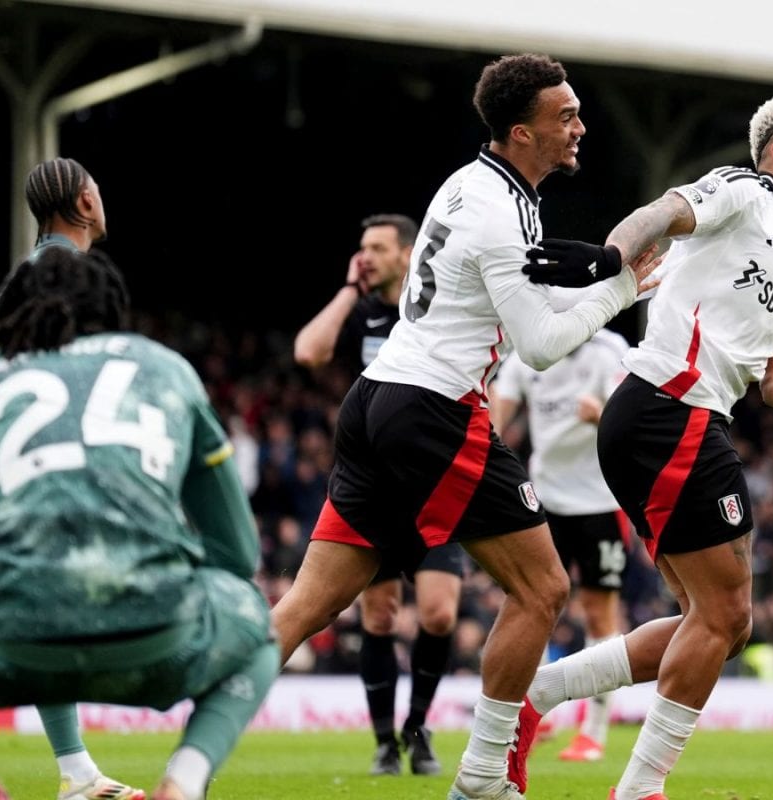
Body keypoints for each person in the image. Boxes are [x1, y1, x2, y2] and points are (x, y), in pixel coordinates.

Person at [268, 52, 658, 800]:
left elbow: (528, 268)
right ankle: (482, 777)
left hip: (376, 399)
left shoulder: (469, 184)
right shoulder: (498, 211)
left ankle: (188, 762)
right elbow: (542, 347)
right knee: (544, 589)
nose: (580, 126)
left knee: (302, 609)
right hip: (434, 411)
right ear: (521, 132)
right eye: (565, 116)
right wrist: (623, 288)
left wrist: (595, 265)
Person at [509, 90, 773, 800]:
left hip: (684, 418)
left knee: (717, 621)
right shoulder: (744, 191)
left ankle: (538, 694)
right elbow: (664, 213)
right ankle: (638, 789)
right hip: (668, 407)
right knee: (726, 617)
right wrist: (610, 257)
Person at [0, 248, 278, 800]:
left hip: (7, 641)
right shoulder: (166, 370)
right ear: (111, 308)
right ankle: (186, 780)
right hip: (158, 640)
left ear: (15, 317)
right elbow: (239, 554)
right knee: (261, 627)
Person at [0, 156, 142, 800]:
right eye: (97, 186)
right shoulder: (71, 277)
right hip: (51, 471)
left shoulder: (28, 275)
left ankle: (76, 772)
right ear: (84, 203)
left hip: (17, 466)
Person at [294, 213, 466, 776]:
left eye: (376, 247)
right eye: (360, 246)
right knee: (380, 613)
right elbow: (309, 353)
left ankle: (418, 727)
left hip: (436, 482)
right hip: (375, 487)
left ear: (408, 253)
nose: (365, 254)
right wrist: (349, 288)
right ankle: (384, 742)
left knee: (439, 614)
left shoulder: (435, 307)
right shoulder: (364, 311)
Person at [490, 328, 631, 762]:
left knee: (598, 612)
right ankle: (534, 708)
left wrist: (605, 414)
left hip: (601, 501)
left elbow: (635, 419)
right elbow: (494, 420)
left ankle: (593, 732)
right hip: (544, 499)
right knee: (534, 603)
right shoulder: (528, 352)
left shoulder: (611, 350)